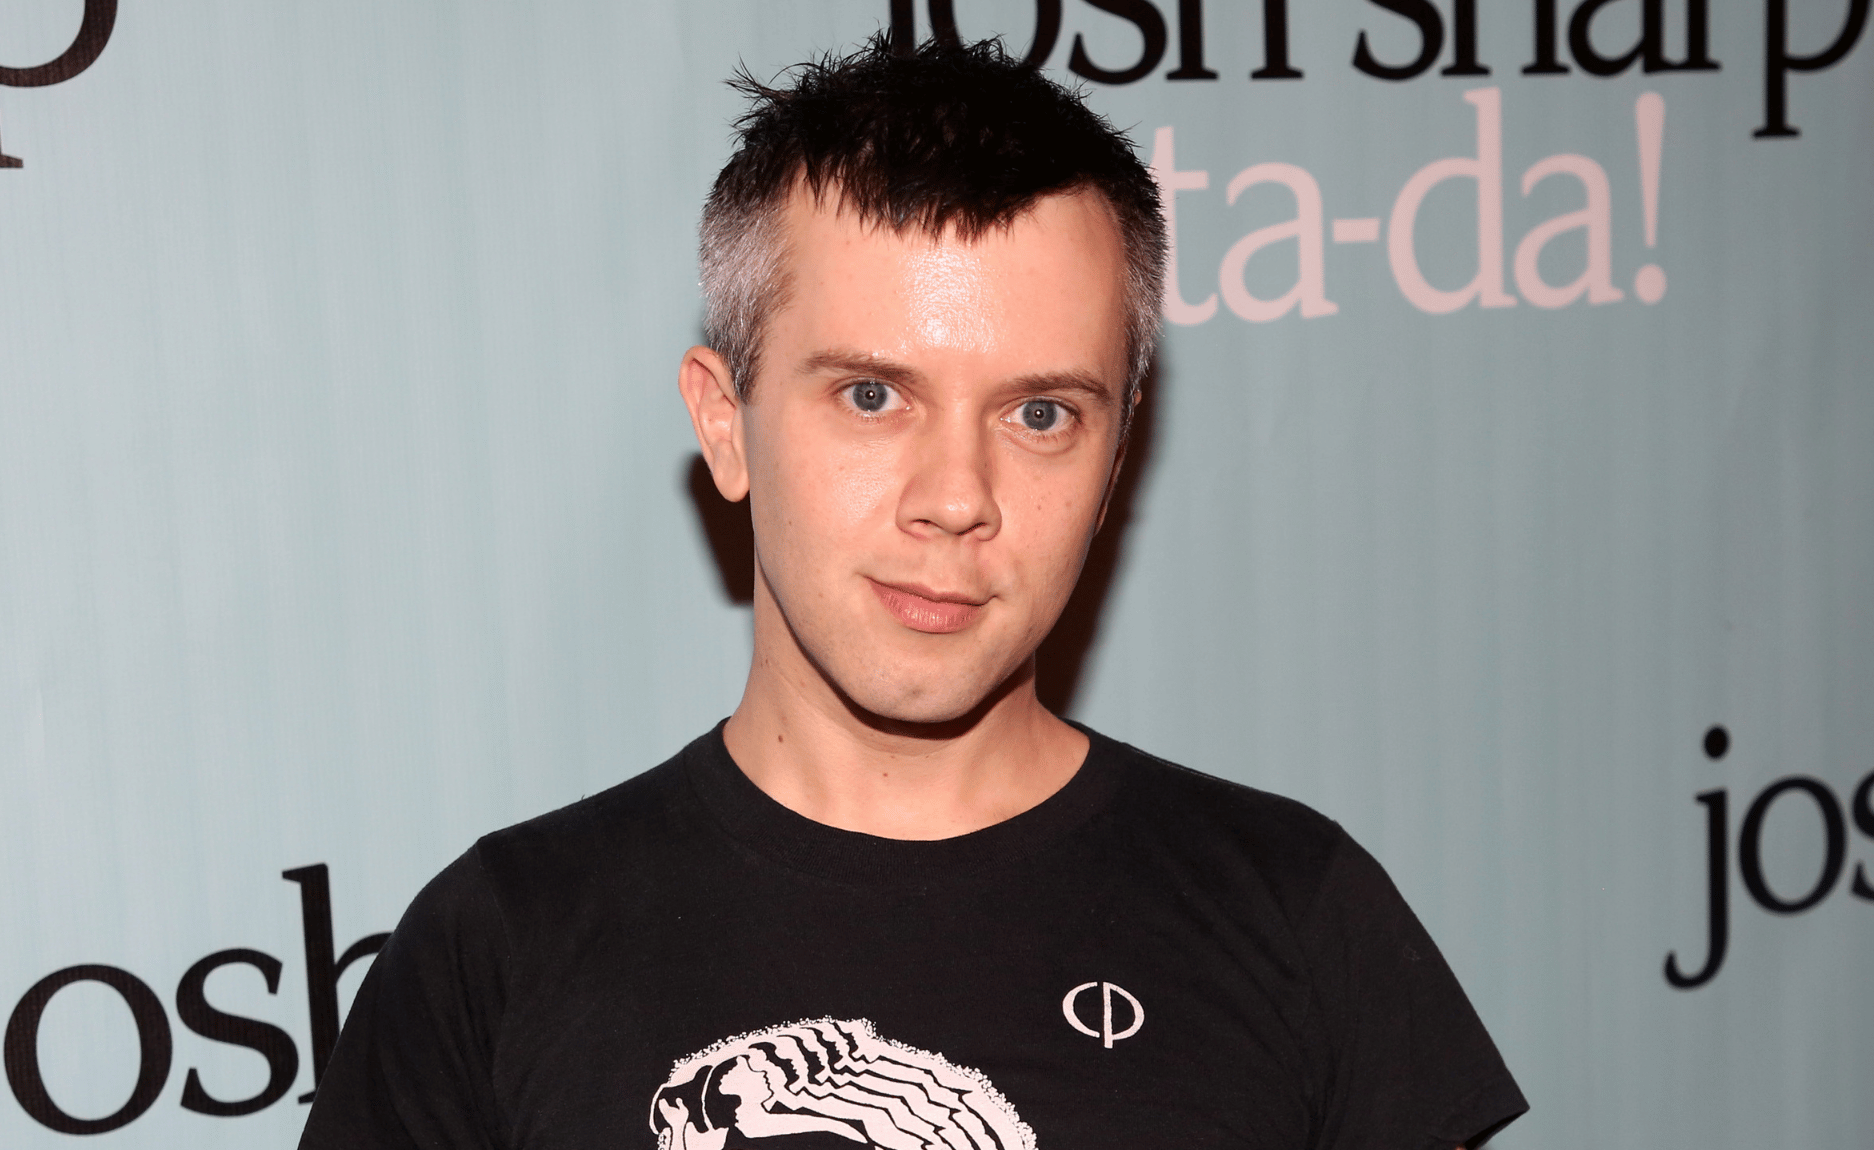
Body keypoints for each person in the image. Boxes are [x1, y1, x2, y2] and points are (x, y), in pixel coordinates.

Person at [299, 34, 1527, 1150]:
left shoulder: (1297, 915)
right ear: (725, 424)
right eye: (872, 396)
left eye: (1039, 414)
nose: (954, 498)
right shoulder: (496, 951)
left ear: (1115, 456)